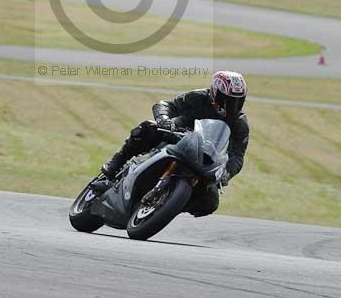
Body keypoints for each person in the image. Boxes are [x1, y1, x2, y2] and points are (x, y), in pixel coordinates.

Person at [98, 71, 249, 217]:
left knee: (210, 204)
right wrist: (164, 118)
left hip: (205, 156)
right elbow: (167, 105)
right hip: (178, 136)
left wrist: (226, 173)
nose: (232, 105)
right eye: (227, 100)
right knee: (146, 128)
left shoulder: (240, 123)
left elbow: (237, 155)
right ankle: (116, 163)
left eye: (237, 101)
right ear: (215, 94)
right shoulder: (198, 96)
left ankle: (169, 203)